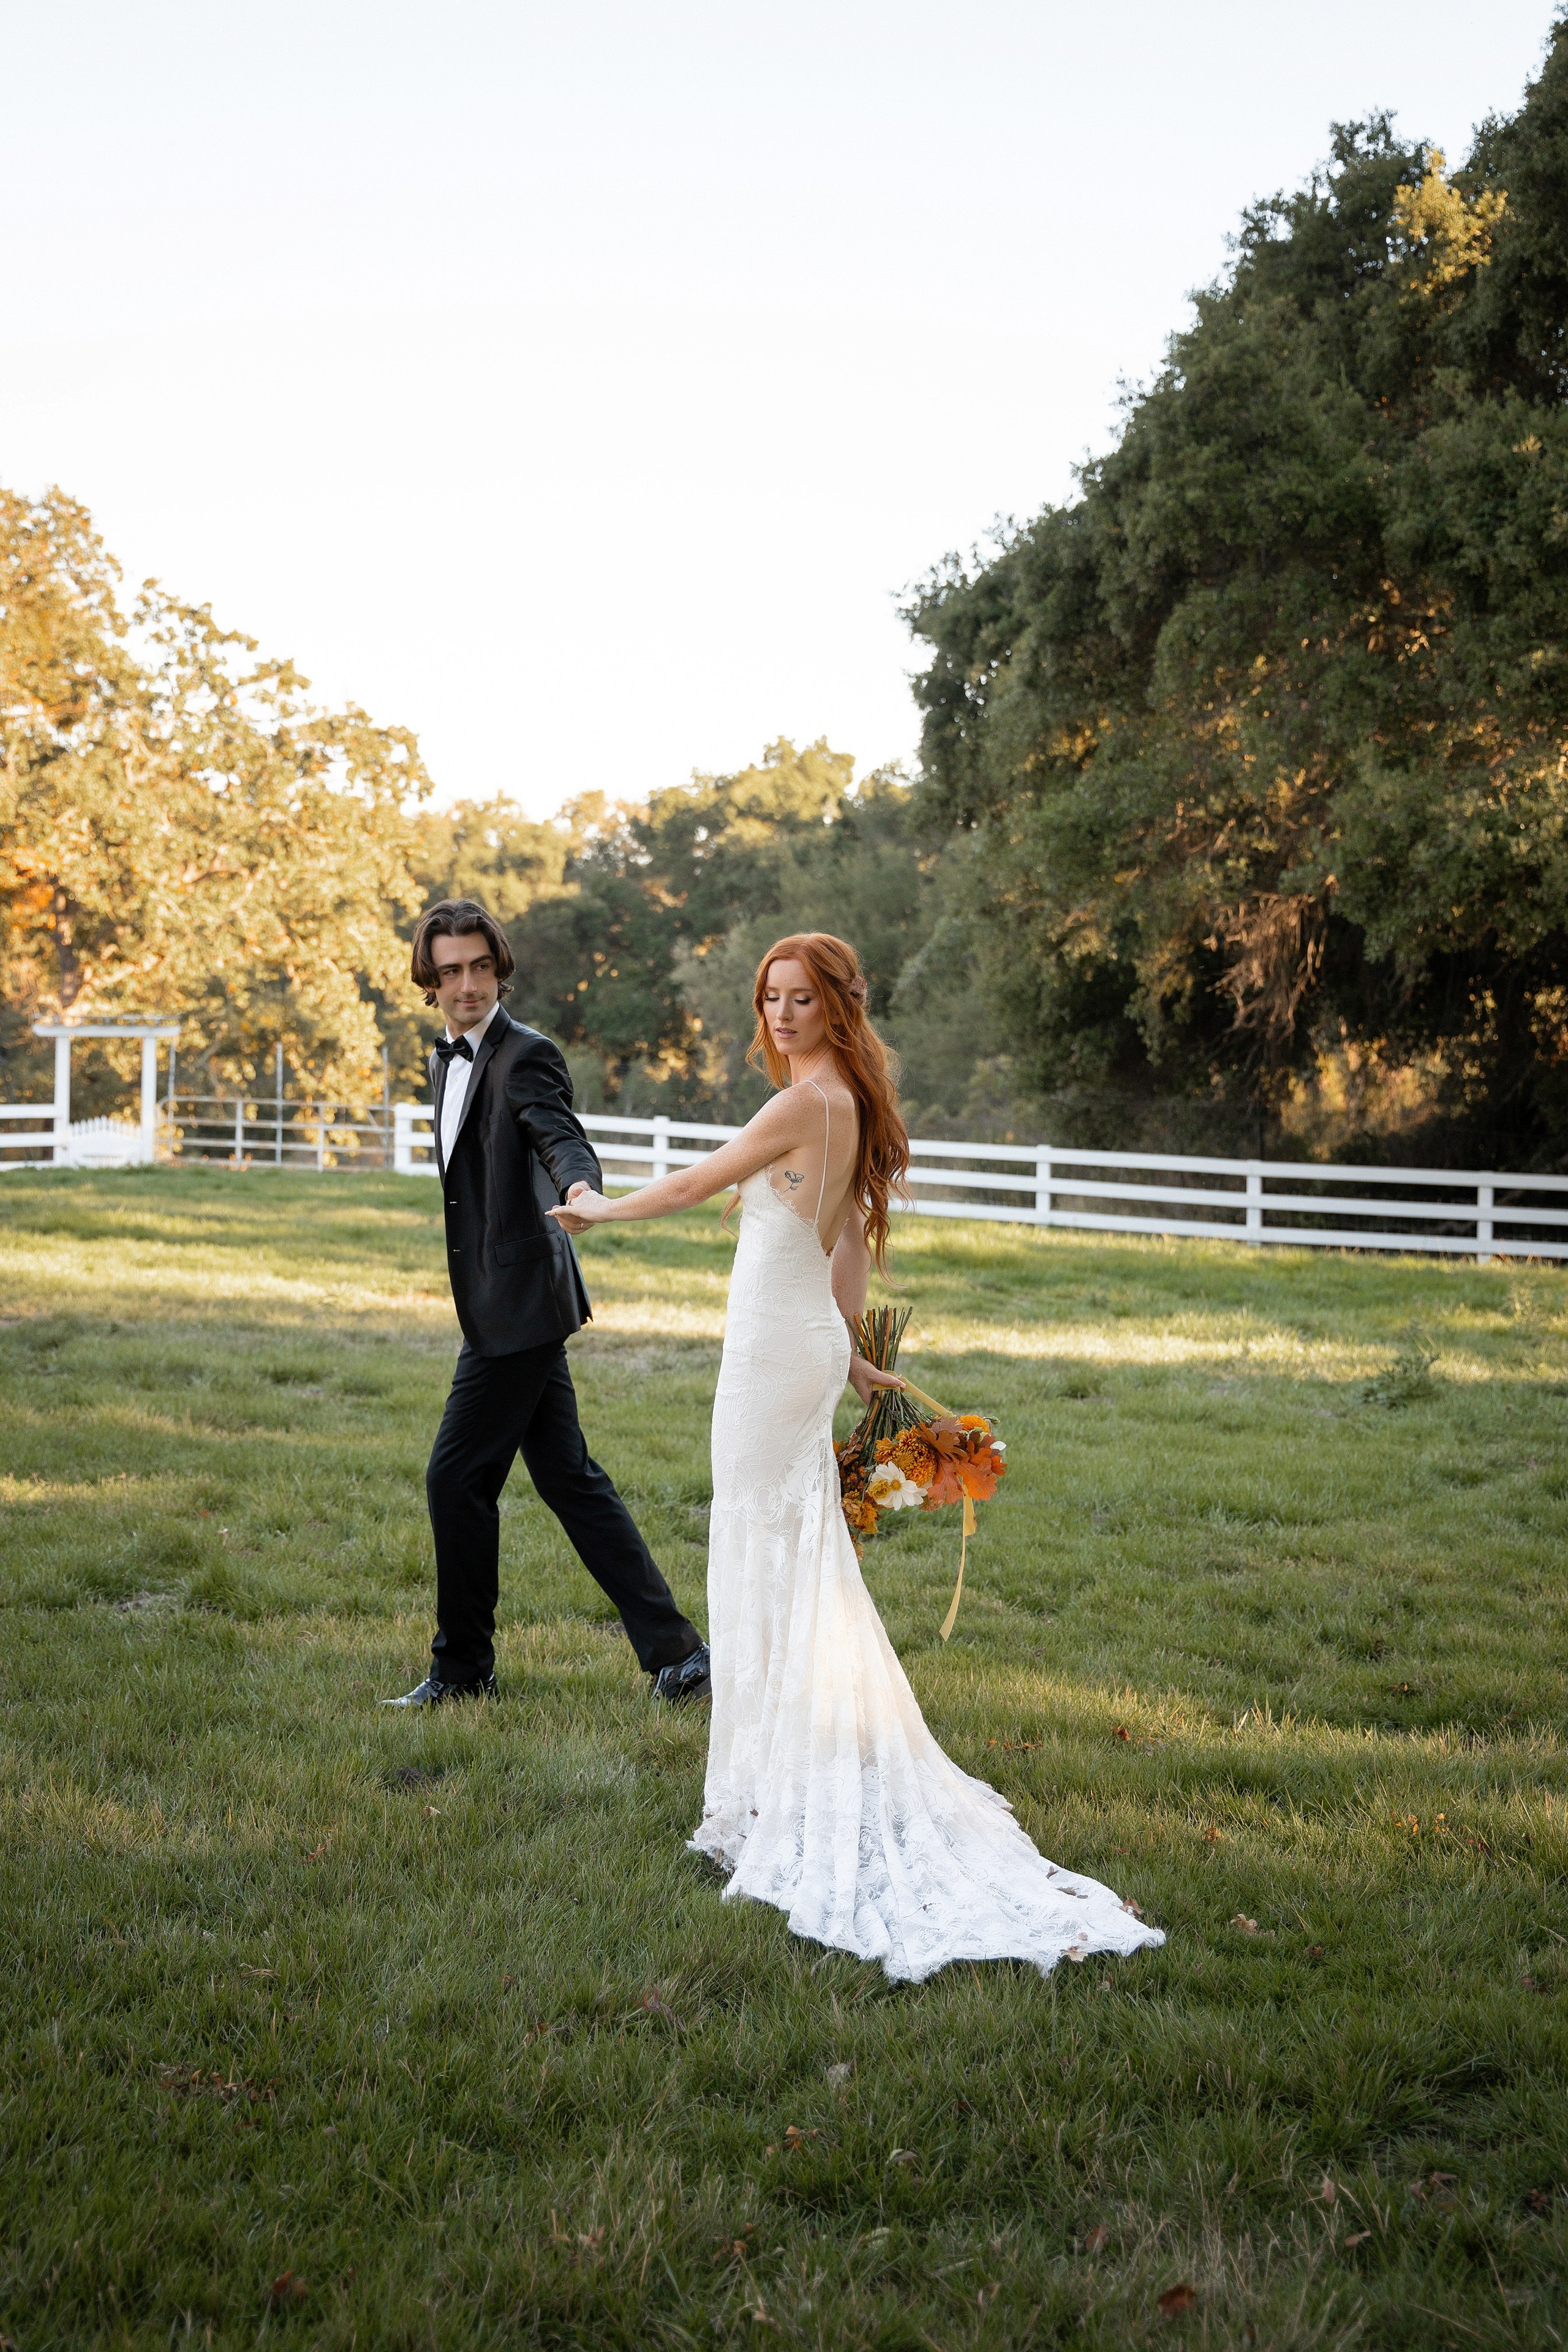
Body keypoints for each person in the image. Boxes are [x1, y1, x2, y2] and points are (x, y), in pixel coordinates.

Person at [551, 932, 1163, 1981]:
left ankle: (775, 1784)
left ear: (839, 1007)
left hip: (771, 1357)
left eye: (803, 999)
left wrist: (604, 1210)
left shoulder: (802, 1104)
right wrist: (850, 1355)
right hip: (802, 1343)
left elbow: (703, 1181)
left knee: (761, 1540)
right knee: (796, 1546)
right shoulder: (851, 1107)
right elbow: (845, 1241)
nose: (783, 1015)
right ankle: (786, 1760)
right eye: (772, 998)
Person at [383, 897, 710, 1709]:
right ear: (431, 979)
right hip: (503, 1293)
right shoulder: (446, 1056)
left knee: (454, 1480)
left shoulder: (526, 1054)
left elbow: (555, 1131)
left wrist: (581, 1187)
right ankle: (678, 1654)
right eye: (451, 970)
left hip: (521, 1300)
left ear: (498, 967)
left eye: (480, 967)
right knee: (569, 1477)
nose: (467, 985)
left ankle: (463, 1671)